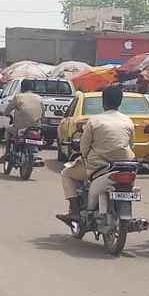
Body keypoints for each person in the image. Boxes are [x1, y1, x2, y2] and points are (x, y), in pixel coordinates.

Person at [55, 86, 136, 224]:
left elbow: (84, 146)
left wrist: (84, 157)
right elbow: (131, 144)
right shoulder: (128, 121)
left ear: (103, 102)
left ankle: (74, 212)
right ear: (120, 102)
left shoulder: (94, 120)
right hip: (125, 165)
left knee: (66, 174)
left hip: (98, 166)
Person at [0, 81, 43, 164]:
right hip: (36, 126)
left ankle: (7, 152)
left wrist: (4, 113)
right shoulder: (38, 98)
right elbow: (43, 112)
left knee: (8, 130)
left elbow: (8, 110)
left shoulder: (18, 97)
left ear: (22, 88)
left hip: (20, 127)